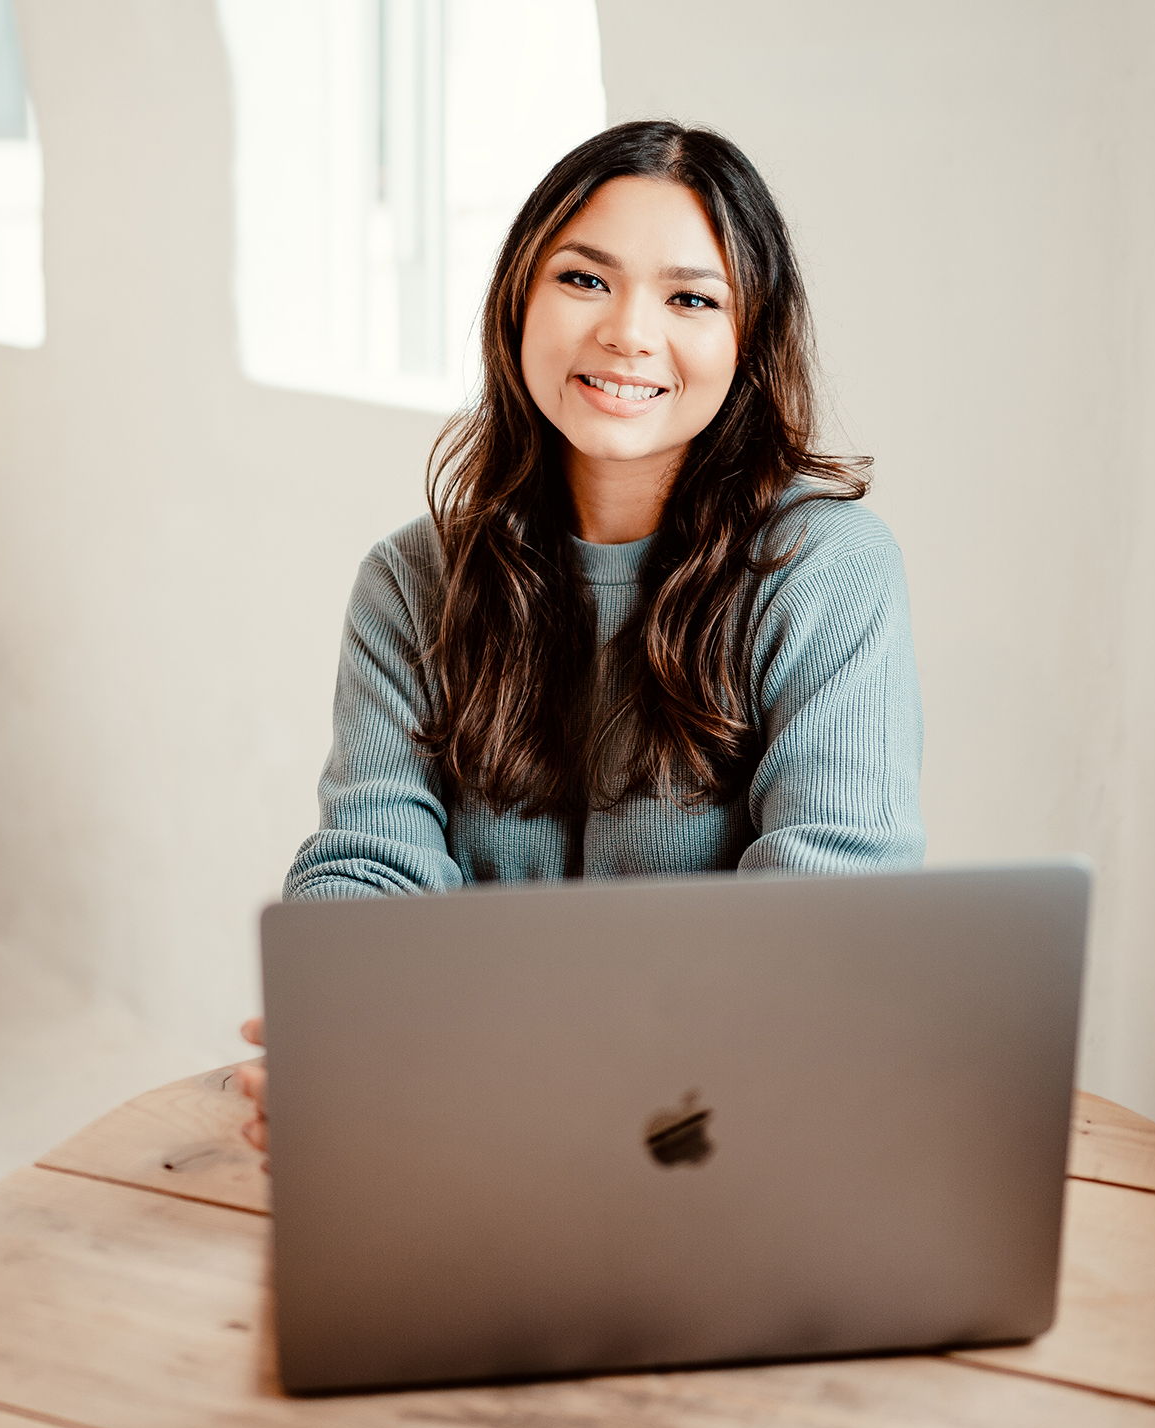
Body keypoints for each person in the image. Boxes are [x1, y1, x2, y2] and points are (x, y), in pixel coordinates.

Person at [237, 118, 925, 1155]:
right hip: (467, 1117)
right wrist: (337, 1017)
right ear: (519, 295)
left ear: (746, 342)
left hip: (726, 1128)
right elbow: (372, 861)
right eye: (584, 280)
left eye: (690, 298)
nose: (627, 334)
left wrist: (542, 1065)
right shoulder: (409, 581)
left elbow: (825, 916)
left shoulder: (826, 570)